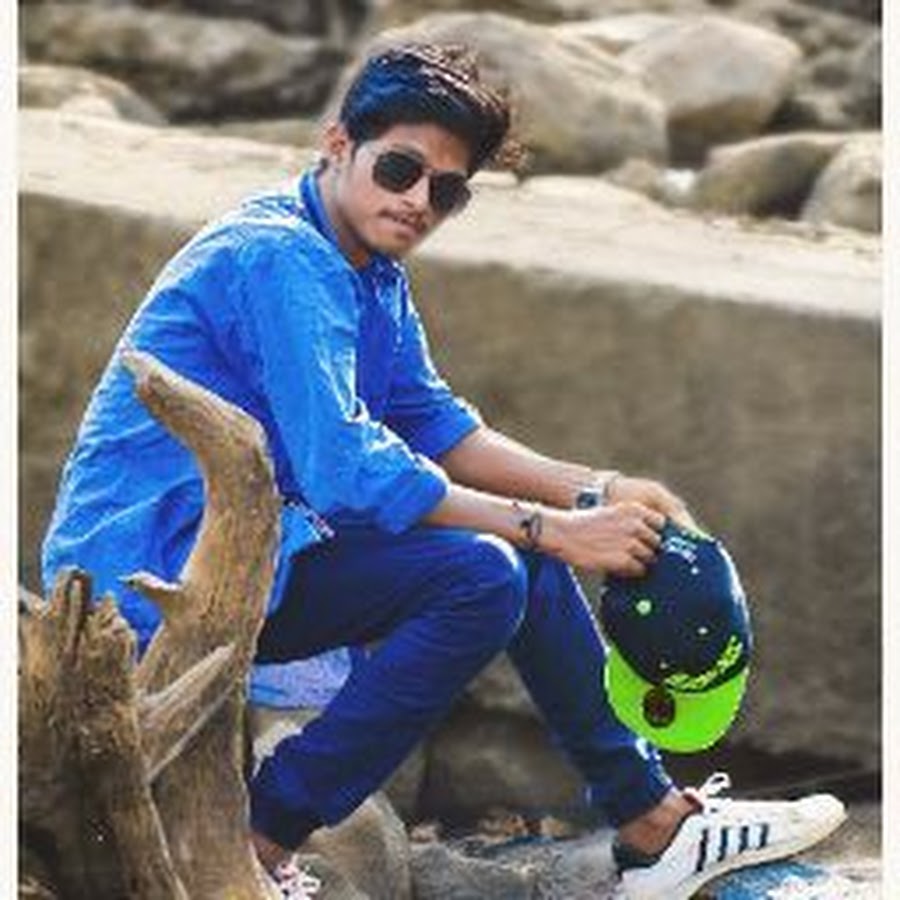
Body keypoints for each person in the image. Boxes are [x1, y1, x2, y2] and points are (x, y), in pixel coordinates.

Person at [42, 43, 845, 900]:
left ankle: (654, 827)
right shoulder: (282, 256)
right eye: (401, 169)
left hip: (254, 553)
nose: (420, 201)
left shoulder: (367, 267)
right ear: (337, 144)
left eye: (448, 191)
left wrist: (595, 490)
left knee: (518, 562)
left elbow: (431, 420)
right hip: (148, 578)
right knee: (481, 576)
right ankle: (259, 842)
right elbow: (346, 467)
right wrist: (555, 528)